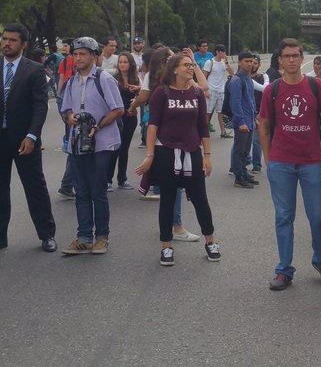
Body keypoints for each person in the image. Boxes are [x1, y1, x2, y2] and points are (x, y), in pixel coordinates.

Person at [257, 39, 321, 290]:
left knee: (318, 216)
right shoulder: (273, 90)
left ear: (301, 58)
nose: (291, 60)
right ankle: (284, 270)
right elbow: (263, 123)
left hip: (311, 160)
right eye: (286, 56)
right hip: (282, 161)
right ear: (279, 60)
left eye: (295, 55)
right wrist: (269, 159)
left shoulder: (316, 87)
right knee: (284, 217)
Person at [0, 22, 57, 253]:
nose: (6, 44)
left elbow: (40, 107)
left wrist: (32, 135)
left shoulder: (34, 70)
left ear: (23, 44)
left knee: (35, 187)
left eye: (12, 40)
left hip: (25, 140)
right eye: (4, 39)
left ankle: (47, 234)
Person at [134, 52, 220, 266]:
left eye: (192, 65)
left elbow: (203, 126)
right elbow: (152, 125)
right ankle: (166, 246)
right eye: (186, 65)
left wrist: (207, 156)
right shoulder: (161, 93)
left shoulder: (197, 94)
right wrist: (150, 155)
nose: (190, 68)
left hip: (192, 152)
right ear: (174, 69)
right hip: (166, 153)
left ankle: (210, 242)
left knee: (200, 199)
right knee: (168, 200)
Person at [58, 37, 124, 255]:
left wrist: (98, 125)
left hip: (101, 143)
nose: (78, 58)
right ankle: (84, 236)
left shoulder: (104, 79)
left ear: (94, 56)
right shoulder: (71, 82)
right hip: (78, 143)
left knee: (98, 191)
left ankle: (102, 237)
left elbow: (118, 109)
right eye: (75, 55)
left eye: (83, 54)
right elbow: (65, 109)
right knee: (81, 191)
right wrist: (69, 117)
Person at [228, 51, 261, 188]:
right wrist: (241, 122)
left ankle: (243, 172)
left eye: (252, 61)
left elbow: (251, 100)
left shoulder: (248, 78)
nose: (250, 64)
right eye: (246, 61)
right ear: (239, 63)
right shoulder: (236, 80)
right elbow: (235, 104)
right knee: (239, 150)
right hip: (242, 122)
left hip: (250, 120)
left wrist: (255, 118)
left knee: (246, 150)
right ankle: (239, 177)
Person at [109, 53, 140, 190]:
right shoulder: (113, 79)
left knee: (124, 148)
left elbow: (141, 96)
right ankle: (107, 180)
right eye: (120, 62)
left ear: (130, 64)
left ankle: (122, 179)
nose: (122, 64)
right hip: (117, 117)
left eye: (125, 62)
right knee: (115, 148)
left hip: (130, 117)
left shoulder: (136, 79)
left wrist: (136, 102)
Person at [203, 44, 234, 139]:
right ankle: (203, 133)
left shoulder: (224, 62)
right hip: (211, 89)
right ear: (217, 52)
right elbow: (204, 76)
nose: (224, 54)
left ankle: (223, 132)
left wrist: (227, 62)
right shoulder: (210, 62)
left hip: (221, 90)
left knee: (221, 113)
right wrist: (205, 90)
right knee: (207, 113)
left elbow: (232, 73)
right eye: (223, 52)